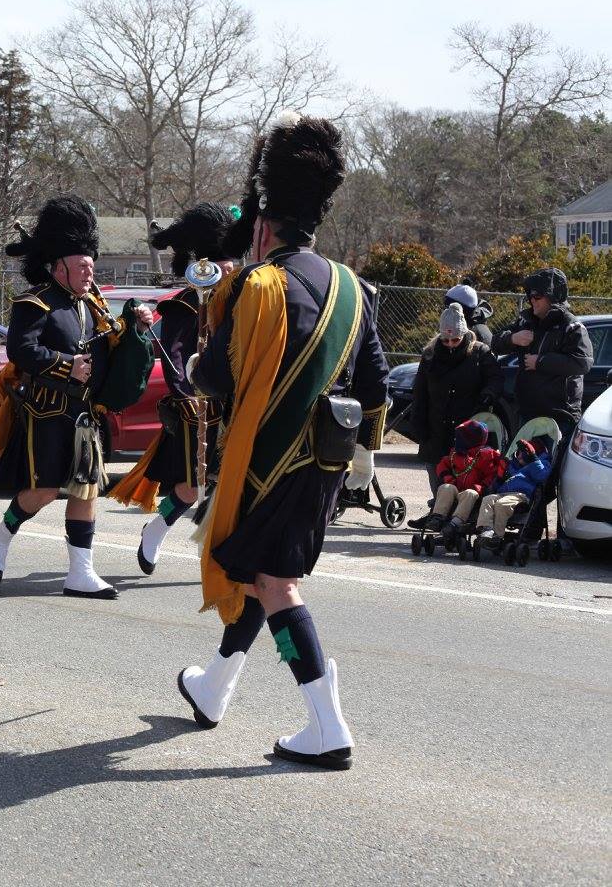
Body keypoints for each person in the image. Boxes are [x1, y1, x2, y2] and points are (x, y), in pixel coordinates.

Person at [174, 114, 388, 771]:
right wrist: (365, 457)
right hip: (325, 463)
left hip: (266, 467)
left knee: (274, 584)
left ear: (264, 225)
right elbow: (377, 385)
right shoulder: (353, 287)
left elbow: (216, 377)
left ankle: (326, 721)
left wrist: (190, 363)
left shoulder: (256, 285)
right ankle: (214, 686)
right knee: (256, 571)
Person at [0, 195, 155, 599]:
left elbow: (113, 343)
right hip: (46, 412)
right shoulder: (34, 302)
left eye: (91, 266)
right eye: (81, 267)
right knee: (42, 491)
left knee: (87, 489)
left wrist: (135, 324)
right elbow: (23, 351)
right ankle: (1, 534)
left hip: (85, 413)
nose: (88, 273)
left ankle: (80, 572)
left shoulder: (92, 304)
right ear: (59, 267)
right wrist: (65, 365)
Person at [110, 202, 236, 574]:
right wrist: (186, 395)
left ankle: (222, 554)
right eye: (222, 263)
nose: (229, 268)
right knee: (192, 487)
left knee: (235, 483)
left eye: (231, 262)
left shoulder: (242, 302)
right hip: (196, 408)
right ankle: (157, 529)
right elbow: (176, 356)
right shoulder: (185, 305)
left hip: (235, 404)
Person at [409, 302, 501, 502]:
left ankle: (460, 514)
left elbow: (495, 379)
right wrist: (418, 423)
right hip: (436, 425)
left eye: (455, 340)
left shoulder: (479, 353)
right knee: (437, 471)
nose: (450, 343)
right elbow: (419, 392)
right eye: (446, 339)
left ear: (464, 335)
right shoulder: (430, 355)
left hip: (467, 426)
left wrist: (488, 394)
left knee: (466, 473)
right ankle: (439, 509)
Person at [492, 267, 593, 438]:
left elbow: (582, 362)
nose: (532, 301)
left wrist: (540, 361)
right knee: (523, 464)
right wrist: (513, 339)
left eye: (537, 297)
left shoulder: (571, 326)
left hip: (559, 417)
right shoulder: (526, 321)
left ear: (552, 297)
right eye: (530, 296)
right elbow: (494, 343)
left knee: (554, 465)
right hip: (527, 414)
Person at [427, 419, 504, 540]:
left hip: (474, 491)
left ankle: (455, 522)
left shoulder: (487, 455)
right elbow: (442, 464)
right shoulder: (455, 453)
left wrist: (481, 487)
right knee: (446, 487)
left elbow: (492, 475)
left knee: (470, 493)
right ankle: (438, 517)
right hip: (456, 487)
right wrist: (447, 476)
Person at [473, 437, 553, 550]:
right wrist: (500, 478)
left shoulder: (542, 463)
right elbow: (498, 487)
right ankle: (486, 530)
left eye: (522, 453)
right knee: (488, 499)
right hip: (504, 493)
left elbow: (541, 476)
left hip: (520, 496)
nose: (518, 456)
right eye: (518, 453)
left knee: (501, 504)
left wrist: (533, 458)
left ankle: (497, 536)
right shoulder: (514, 467)